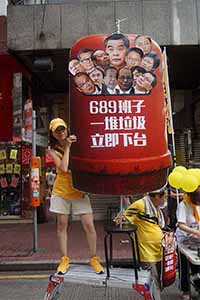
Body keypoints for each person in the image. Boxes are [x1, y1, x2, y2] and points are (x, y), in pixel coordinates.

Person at [48, 118, 104, 275]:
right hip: (61, 192)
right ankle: (64, 258)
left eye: (63, 129)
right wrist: (67, 147)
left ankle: (94, 258)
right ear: (52, 134)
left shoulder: (77, 142)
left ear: (67, 128)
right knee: (62, 225)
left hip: (79, 190)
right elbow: (64, 168)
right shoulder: (52, 150)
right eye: (57, 131)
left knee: (89, 225)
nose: (61, 133)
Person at [114, 186, 167, 300]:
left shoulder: (155, 206)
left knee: (159, 279)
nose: (165, 201)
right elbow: (124, 217)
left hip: (158, 248)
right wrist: (121, 219)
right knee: (152, 280)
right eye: (164, 198)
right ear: (157, 196)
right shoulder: (140, 204)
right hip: (146, 250)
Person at [176, 186, 200, 299]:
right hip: (184, 241)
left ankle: (197, 285)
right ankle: (185, 290)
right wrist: (195, 231)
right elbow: (181, 225)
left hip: (197, 241)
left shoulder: (199, 204)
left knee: (196, 265)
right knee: (184, 267)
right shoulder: (183, 205)